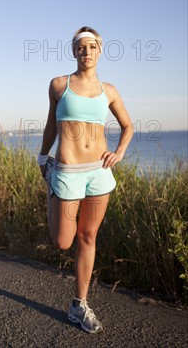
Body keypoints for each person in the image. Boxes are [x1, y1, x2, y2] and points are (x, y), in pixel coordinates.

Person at [37, 26, 133, 334]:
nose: (87, 51)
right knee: (63, 242)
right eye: (82, 47)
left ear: (100, 51)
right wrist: (42, 157)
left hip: (99, 173)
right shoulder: (58, 85)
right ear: (74, 51)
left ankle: (79, 305)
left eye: (92, 47)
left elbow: (128, 126)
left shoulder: (110, 90)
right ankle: (52, 189)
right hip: (66, 172)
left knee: (88, 237)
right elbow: (51, 125)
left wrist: (118, 152)